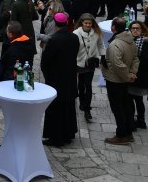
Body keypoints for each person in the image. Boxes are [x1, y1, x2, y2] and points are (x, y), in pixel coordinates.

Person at [41, 12, 79, 147]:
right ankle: (68, 134)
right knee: (68, 107)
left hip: (56, 79)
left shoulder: (54, 40)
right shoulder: (74, 38)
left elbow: (45, 61)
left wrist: (48, 75)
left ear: (56, 24)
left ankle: (55, 137)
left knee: (56, 109)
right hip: (70, 77)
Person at [102, 17, 140, 144]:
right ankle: (128, 133)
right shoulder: (130, 40)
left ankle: (121, 134)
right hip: (124, 80)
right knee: (126, 106)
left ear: (113, 28)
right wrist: (132, 73)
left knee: (118, 108)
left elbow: (117, 65)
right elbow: (135, 58)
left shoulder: (115, 44)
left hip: (115, 81)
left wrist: (128, 76)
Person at [73, 13, 105, 121]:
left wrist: (103, 56)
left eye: (90, 23)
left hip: (90, 63)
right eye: (86, 23)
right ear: (82, 23)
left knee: (88, 85)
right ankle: (82, 102)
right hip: (79, 62)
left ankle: (87, 109)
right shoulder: (76, 33)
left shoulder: (96, 33)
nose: (88, 25)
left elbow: (101, 45)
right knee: (81, 84)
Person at [128, 21, 148, 129]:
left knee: (138, 100)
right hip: (130, 76)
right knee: (129, 99)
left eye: (137, 28)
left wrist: (133, 60)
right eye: (133, 28)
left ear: (142, 30)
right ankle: (131, 120)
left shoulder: (146, 43)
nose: (135, 30)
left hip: (140, 77)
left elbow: (147, 61)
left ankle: (140, 120)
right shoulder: (128, 41)